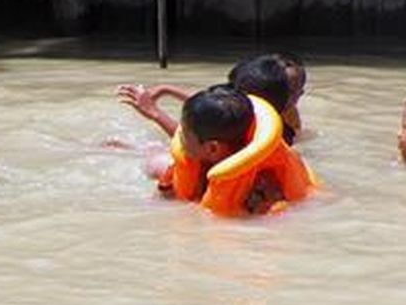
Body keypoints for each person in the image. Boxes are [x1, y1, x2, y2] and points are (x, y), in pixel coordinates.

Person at [158, 84, 317, 216]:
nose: (179, 139)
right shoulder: (226, 143)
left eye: (184, 137)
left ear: (213, 148)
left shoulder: (262, 188)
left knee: (156, 162)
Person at [118, 52, 305, 144]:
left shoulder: (256, 127)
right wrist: (168, 89)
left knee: (155, 161)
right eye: (297, 91)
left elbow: (194, 141)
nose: (301, 94)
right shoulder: (279, 111)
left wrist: (154, 112)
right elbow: (214, 106)